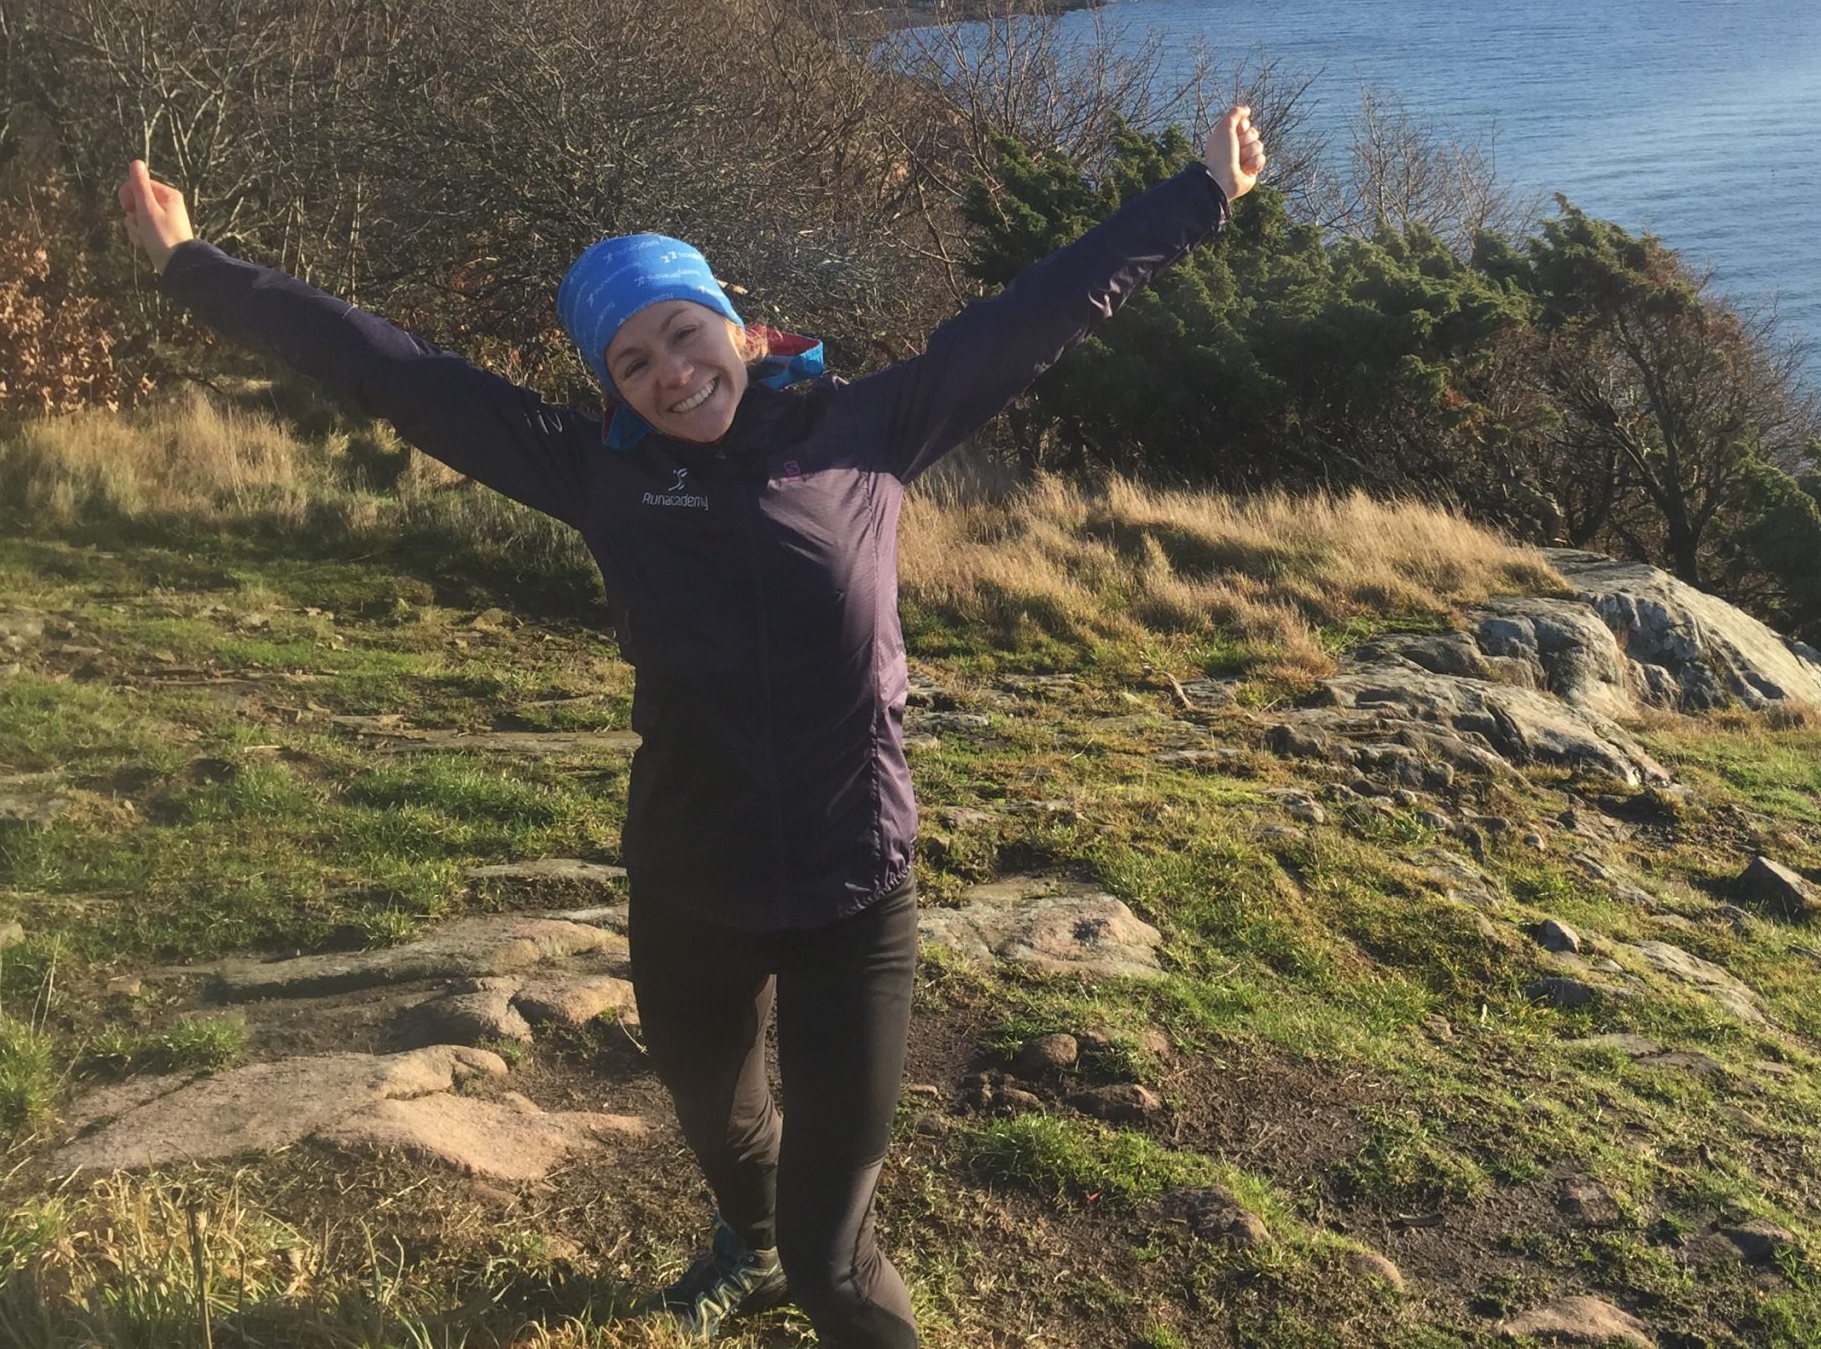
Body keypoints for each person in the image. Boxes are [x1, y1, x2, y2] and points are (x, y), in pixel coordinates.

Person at [117, 105, 1267, 1347]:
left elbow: (1038, 312)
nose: (670, 373)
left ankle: (797, 1260)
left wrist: (1199, 194)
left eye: (681, 333)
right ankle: (749, 1242)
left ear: (735, 324)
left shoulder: (868, 427)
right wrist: (193, 266)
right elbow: (390, 370)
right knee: (723, 1128)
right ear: (610, 387)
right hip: (688, 884)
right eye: (632, 363)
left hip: (852, 889)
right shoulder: (595, 470)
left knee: (837, 1267)